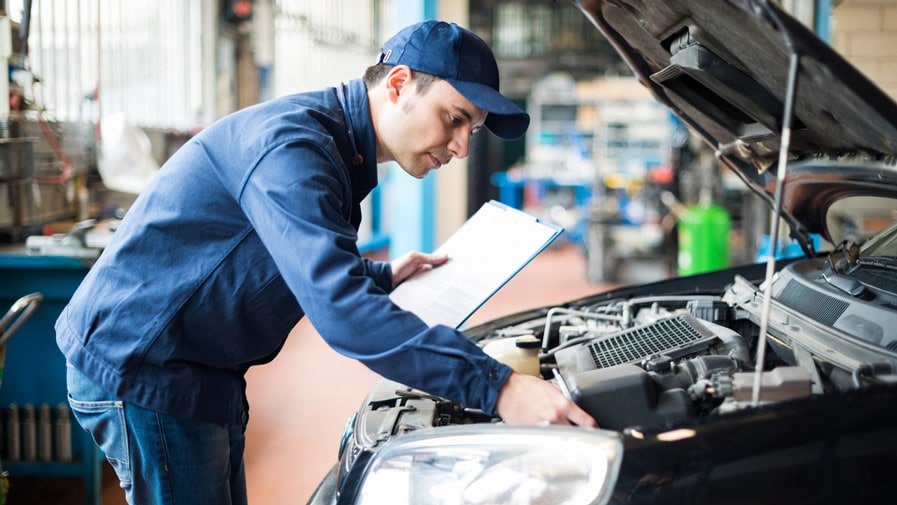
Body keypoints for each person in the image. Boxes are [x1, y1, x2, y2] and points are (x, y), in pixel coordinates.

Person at [57, 20, 596, 504]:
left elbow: (279, 258)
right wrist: (499, 387)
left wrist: (382, 274)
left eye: (470, 131)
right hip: (146, 365)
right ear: (399, 83)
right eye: (453, 119)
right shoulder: (294, 148)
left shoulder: (339, 150)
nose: (460, 149)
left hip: (202, 368)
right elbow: (343, 315)